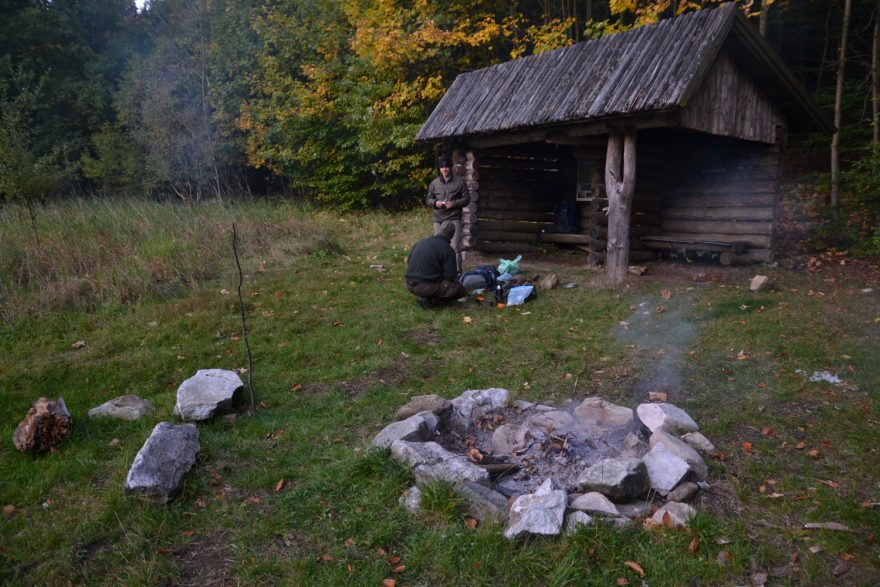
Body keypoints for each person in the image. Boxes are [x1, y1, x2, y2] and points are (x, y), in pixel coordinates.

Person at [405, 220, 467, 308]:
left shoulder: (421, 242)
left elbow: (408, 262)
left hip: (409, 283)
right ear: (451, 235)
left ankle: (426, 296)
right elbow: (450, 277)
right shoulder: (448, 249)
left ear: (439, 231)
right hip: (423, 287)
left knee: (434, 282)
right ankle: (431, 302)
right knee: (459, 290)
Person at [426, 154, 470, 272]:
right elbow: (428, 199)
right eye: (442, 167)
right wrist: (435, 203)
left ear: (450, 167)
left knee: (454, 247)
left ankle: (457, 273)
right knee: (437, 247)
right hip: (438, 219)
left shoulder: (460, 181)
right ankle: (438, 272)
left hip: (454, 218)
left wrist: (454, 203)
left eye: (446, 167)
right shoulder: (434, 183)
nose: (444, 169)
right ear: (439, 169)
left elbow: (467, 199)